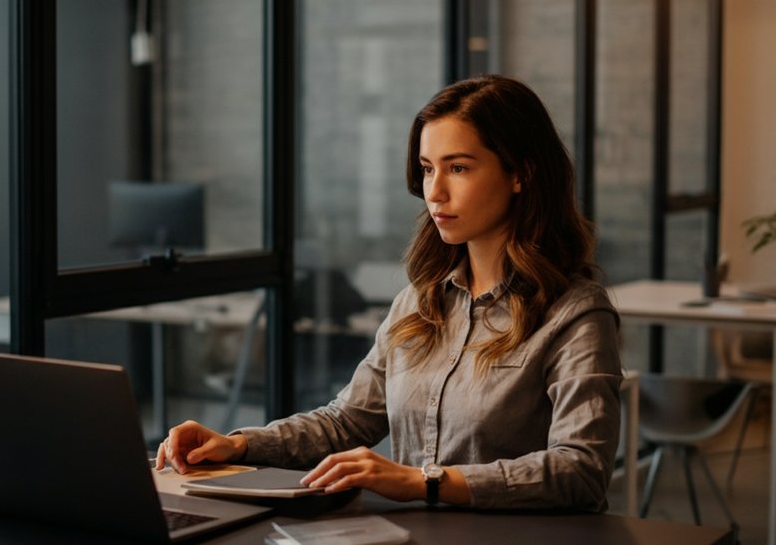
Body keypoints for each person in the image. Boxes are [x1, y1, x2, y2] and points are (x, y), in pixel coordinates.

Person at [155, 75, 622, 511]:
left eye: (458, 168)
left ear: (521, 174)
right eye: (427, 169)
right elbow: (347, 422)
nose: (434, 192)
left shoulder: (575, 312)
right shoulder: (419, 303)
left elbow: (582, 469)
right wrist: (238, 444)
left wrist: (425, 481)